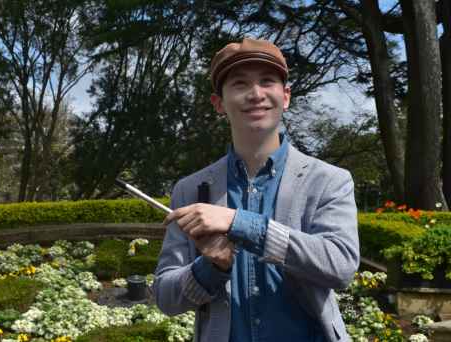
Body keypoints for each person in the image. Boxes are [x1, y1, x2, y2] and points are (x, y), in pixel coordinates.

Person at [153, 37, 360, 342]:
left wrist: (241, 224)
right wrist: (210, 267)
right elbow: (165, 297)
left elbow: (340, 266)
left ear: (286, 96)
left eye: (267, 81)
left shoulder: (330, 180)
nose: (256, 94)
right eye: (239, 84)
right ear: (219, 103)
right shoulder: (190, 190)